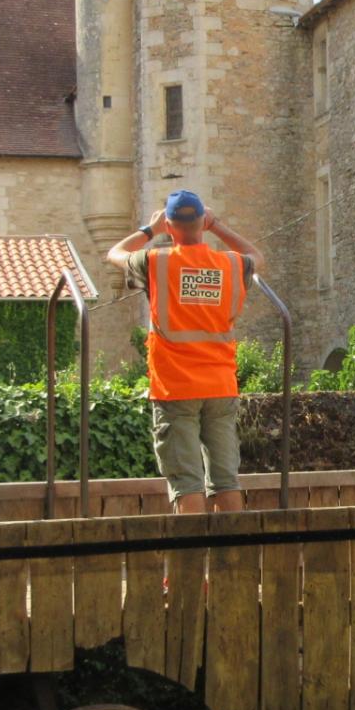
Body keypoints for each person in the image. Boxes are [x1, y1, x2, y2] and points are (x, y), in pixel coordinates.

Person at [105, 191, 264, 513]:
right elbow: (256, 255)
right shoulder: (230, 264)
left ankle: (192, 560)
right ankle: (233, 558)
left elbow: (115, 252)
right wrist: (217, 225)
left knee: (187, 482)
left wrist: (150, 230)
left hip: (175, 387)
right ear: (201, 223)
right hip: (220, 385)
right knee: (226, 481)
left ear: (170, 224)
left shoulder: (155, 261)